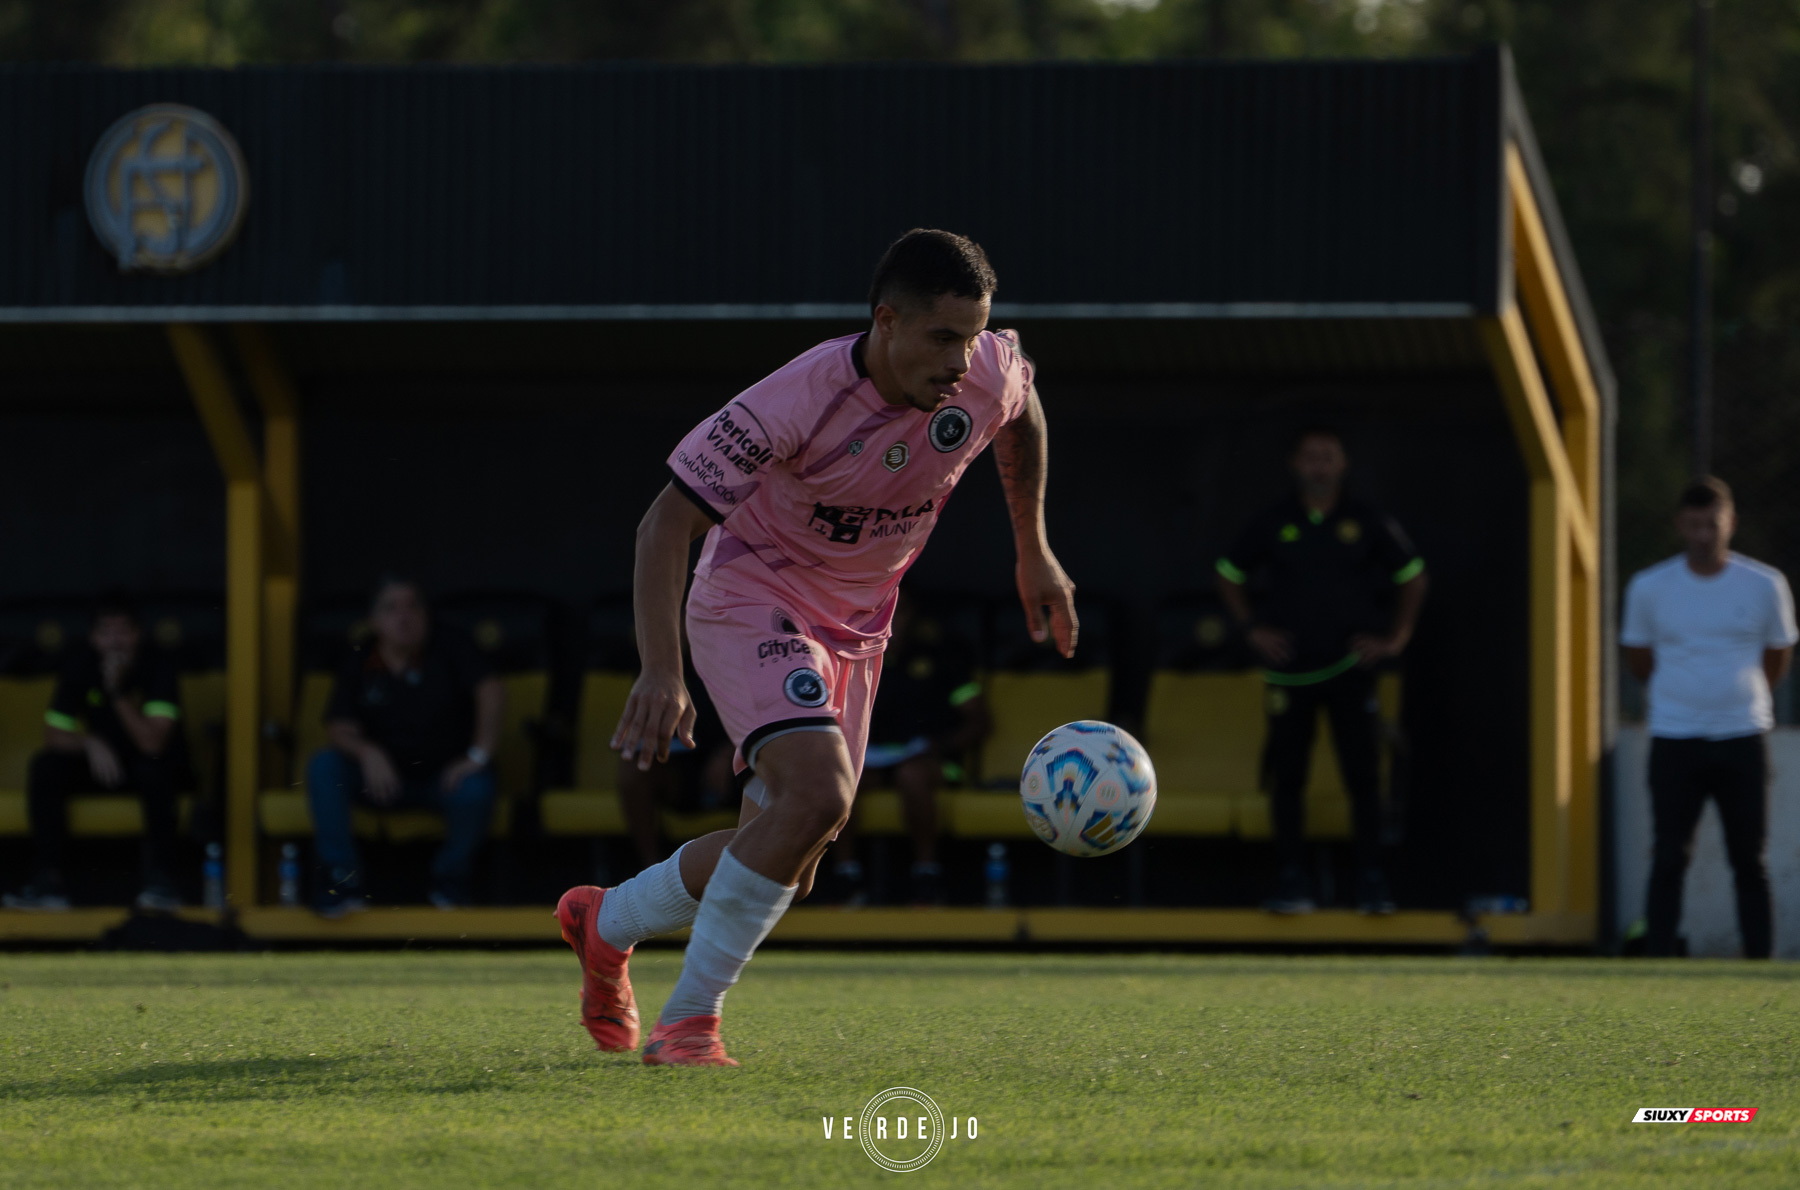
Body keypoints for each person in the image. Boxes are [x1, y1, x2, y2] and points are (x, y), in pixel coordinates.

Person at [553, 228, 1076, 1066]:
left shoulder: (987, 372)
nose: (962, 358)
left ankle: (603, 921)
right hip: (753, 595)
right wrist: (661, 669)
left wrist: (1033, 548)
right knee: (821, 794)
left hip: (858, 626)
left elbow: (1024, 414)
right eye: (944, 336)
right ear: (887, 321)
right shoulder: (797, 399)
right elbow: (665, 523)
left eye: (974, 334)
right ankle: (689, 1025)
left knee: (792, 856)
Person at [1216, 426, 1427, 916]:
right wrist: (1252, 629)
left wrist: (1396, 638)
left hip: (1351, 669)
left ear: (1343, 464)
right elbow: (1227, 573)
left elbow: (1413, 575)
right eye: (1311, 457)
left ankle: (1372, 882)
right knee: (1288, 777)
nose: (1319, 466)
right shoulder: (1274, 521)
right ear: (1295, 463)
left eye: (1328, 457)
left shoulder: (1365, 520)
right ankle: (1293, 882)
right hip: (1289, 673)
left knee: (1363, 777)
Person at [1622, 477, 1795, 960]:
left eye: (1712, 525)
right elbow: (1639, 660)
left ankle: (1758, 962)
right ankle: (1657, 959)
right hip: (1674, 736)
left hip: (1742, 734)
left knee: (1749, 859)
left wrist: (1736, 699)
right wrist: (1684, 699)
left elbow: (1777, 657)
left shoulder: (1765, 585)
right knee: (1670, 853)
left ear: (1731, 524)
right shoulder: (1649, 587)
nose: (1703, 535)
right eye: (1694, 525)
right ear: (1680, 524)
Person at [305, 577, 504, 915]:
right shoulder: (360, 656)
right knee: (324, 766)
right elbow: (338, 726)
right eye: (392, 608)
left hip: (444, 780)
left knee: (477, 786)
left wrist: (477, 754)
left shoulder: (450, 645)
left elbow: (492, 689)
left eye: (413, 606)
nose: (405, 616)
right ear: (374, 620)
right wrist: (367, 752)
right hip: (381, 782)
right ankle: (343, 880)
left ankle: (450, 882)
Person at [4, 593, 185, 912]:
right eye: (105, 632)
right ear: (92, 637)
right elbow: (53, 733)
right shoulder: (81, 664)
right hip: (101, 767)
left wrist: (117, 692)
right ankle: (48, 882)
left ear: (138, 633)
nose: (114, 641)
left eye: (123, 631)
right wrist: (89, 742)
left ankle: (163, 882)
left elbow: (152, 743)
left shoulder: (157, 666)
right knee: (47, 766)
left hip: (147, 767)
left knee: (155, 769)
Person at [821, 588, 989, 905]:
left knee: (911, 776)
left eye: (899, 612)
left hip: (930, 760)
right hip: (870, 760)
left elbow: (978, 720)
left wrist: (938, 746)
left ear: (912, 616)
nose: (891, 621)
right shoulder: (853, 660)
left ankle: (927, 873)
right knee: (843, 780)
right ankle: (846, 876)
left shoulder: (941, 660)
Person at [615, 655, 736, 873]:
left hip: (739, 759)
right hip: (681, 765)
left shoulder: (733, 649)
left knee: (765, 761)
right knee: (634, 771)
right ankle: (651, 872)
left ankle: (763, 872)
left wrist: (730, 752)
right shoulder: (654, 662)